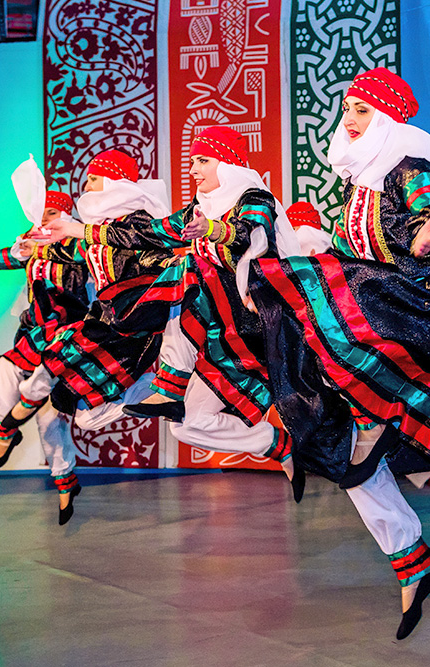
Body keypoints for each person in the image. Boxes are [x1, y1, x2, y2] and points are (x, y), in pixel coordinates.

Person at [243, 68, 430, 639]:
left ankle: (386, 426)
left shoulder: (410, 166)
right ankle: (414, 563)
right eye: (347, 110)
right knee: (349, 463)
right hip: (380, 307)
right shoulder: (360, 182)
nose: (350, 120)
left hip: (420, 308)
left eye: (361, 110)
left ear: (387, 117)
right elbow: (350, 247)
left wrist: (428, 235)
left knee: (302, 292)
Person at [93, 126, 304, 495]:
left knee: (187, 270)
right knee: (187, 425)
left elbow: (247, 233)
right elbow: (148, 234)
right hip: (221, 336)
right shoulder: (199, 210)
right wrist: (77, 231)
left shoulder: (254, 197)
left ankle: (168, 386)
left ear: (227, 164)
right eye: (192, 162)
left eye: (203, 160)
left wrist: (213, 229)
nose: (193, 169)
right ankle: (276, 444)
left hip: (258, 328)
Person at [4, 149, 172, 459]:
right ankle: (156, 390)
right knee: (82, 413)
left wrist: (74, 230)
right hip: (105, 321)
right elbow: (77, 252)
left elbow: (136, 242)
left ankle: (9, 423)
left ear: (113, 180)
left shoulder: (138, 219)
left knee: (54, 364)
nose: (87, 186)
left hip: (132, 325)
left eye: (93, 178)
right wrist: (35, 248)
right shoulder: (100, 228)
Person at [0, 191, 88, 523]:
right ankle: (6, 433)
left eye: (51, 213)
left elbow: (86, 261)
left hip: (65, 336)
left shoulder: (77, 247)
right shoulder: (31, 246)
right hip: (34, 334)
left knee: (49, 418)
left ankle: (65, 484)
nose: (44, 218)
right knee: (7, 369)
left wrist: (45, 247)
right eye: (42, 213)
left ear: (66, 216)